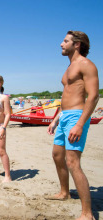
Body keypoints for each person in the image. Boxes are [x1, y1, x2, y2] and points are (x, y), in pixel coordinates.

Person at [47, 31, 99, 220]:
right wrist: (56, 119)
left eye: (65, 41)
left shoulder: (86, 65)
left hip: (77, 116)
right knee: (57, 155)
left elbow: (93, 96)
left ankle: (87, 214)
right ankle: (64, 192)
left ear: (77, 44)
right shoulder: (70, 66)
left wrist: (79, 124)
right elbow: (66, 95)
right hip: (65, 116)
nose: (61, 44)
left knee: (73, 162)